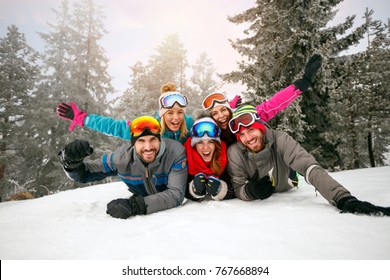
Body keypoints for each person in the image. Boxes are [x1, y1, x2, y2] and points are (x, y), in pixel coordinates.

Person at [56, 53, 321, 146]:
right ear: (161, 114)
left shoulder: (207, 125)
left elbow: (267, 109)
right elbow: (115, 127)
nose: (174, 117)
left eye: (178, 112)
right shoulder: (154, 129)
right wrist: (82, 118)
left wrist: (300, 85)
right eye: (169, 113)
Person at [226, 105, 390, 216]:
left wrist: (342, 198)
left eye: (251, 130)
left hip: (287, 185)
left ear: (261, 127)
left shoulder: (280, 139)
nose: (247, 138)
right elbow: (239, 186)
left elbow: (309, 167)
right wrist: (249, 192)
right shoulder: (235, 152)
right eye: (241, 135)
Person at [58, 116, 188, 219]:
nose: (148, 147)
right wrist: (71, 163)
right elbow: (86, 174)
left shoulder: (175, 153)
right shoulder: (121, 159)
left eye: (153, 140)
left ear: (160, 140)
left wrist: (135, 205)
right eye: (141, 141)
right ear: (133, 144)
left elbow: (175, 195)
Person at [201, 54, 322, 148]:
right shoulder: (205, 131)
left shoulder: (245, 119)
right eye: (214, 113)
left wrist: (300, 85)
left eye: (223, 110)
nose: (221, 116)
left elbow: (272, 105)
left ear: (229, 109)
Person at [183, 116, 235, 201]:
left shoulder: (224, 155)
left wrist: (220, 189)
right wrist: (193, 189)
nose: (206, 148)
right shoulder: (186, 156)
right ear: (194, 145)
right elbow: (180, 188)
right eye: (200, 142)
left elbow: (235, 186)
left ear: (216, 144)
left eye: (211, 142)